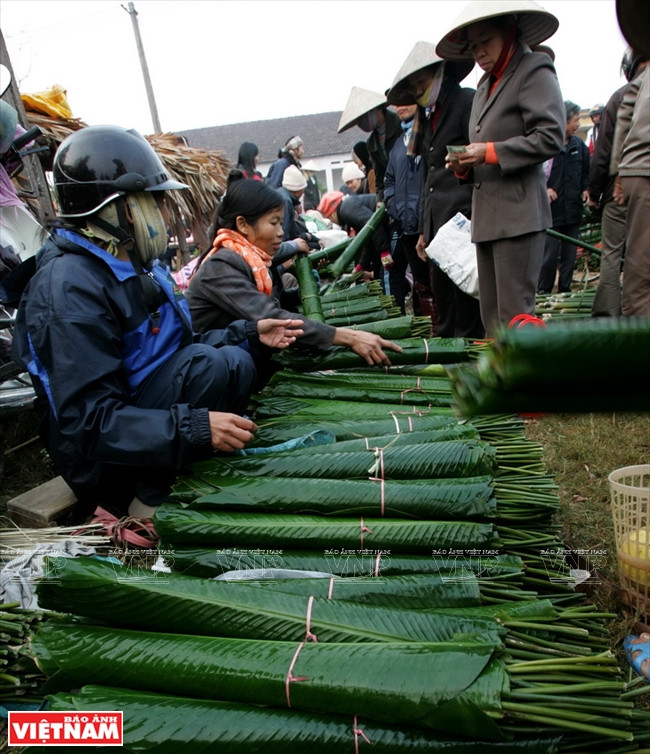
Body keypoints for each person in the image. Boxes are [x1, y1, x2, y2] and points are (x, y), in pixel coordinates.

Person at [10, 126, 303, 518]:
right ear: (119, 209)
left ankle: (180, 471)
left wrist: (249, 331)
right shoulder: (67, 289)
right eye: (158, 203)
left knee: (237, 356)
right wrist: (195, 428)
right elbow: (90, 422)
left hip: (150, 418)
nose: (167, 216)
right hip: (102, 458)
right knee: (211, 365)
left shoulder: (138, 265)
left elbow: (178, 344)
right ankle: (142, 501)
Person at [435, 0, 565, 337]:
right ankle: (504, 382)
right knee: (491, 319)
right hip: (487, 218)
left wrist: (489, 152)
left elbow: (550, 137)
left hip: (519, 216)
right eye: (473, 45)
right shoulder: (483, 86)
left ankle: (525, 385)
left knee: (515, 317)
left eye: (485, 40)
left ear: (509, 32)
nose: (478, 51)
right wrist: (464, 165)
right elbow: (481, 150)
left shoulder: (533, 69)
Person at [186, 175, 400, 367]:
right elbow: (272, 317)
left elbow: (269, 303)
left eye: (281, 223)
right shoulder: (222, 265)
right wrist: (350, 337)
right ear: (242, 224)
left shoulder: (252, 260)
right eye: (273, 223)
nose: (281, 233)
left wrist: (301, 294)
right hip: (213, 363)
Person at [386, 40, 483, 338]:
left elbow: (478, 162)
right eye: (413, 86)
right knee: (443, 301)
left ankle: (471, 365)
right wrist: (425, 231)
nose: (418, 90)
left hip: (464, 220)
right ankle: (449, 365)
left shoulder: (467, 101)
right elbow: (429, 178)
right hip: (438, 224)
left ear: (441, 73)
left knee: (466, 300)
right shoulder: (427, 117)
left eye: (421, 82)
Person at [589, 47, 648, 317]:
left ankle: (609, 319)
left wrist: (595, 191)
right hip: (633, 181)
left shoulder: (622, 96)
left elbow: (604, 153)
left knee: (613, 256)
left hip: (623, 188)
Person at [611, 53, 650, 317]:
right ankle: (638, 346)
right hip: (644, 166)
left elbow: (625, 118)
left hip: (637, 168)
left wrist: (619, 173)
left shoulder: (640, 78)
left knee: (640, 263)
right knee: (642, 267)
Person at [538, 101, 590, 295]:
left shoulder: (580, 146)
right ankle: (544, 289)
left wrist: (586, 189)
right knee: (549, 254)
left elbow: (586, 171)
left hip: (573, 209)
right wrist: (545, 188)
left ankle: (565, 290)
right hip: (553, 211)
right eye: (575, 120)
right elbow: (536, 173)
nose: (577, 124)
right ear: (564, 121)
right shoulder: (550, 145)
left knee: (569, 255)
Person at [382, 100, 426, 319]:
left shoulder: (428, 134)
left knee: (438, 281)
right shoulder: (399, 143)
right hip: (405, 224)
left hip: (428, 222)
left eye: (406, 102)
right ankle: (430, 326)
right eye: (396, 104)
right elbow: (389, 180)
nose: (400, 107)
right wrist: (393, 206)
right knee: (420, 281)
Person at [338, 87, 401, 202]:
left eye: (364, 116)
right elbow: (380, 177)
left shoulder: (400, 125)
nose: (362, 122)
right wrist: (380, 200)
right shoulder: (372, 143)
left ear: (378, 109)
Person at [317, 191, 392, 283]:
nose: (333, 222)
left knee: (389, 276)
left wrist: (384, 251)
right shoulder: (347, 210)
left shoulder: (346, 209)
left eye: (330, 218)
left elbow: (373, 224)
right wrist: (361, 266)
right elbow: (367, 238)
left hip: (390, 225)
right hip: (386, 230)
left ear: (332, 213)